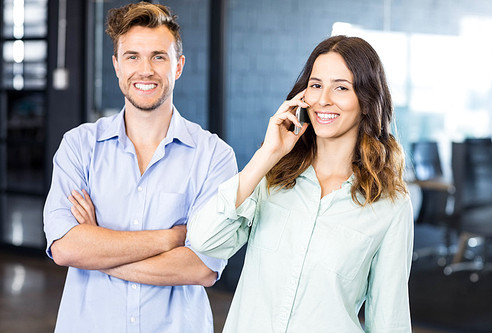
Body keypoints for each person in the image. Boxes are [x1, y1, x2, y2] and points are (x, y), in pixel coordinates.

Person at [188, 35, 414, 332]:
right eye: (316, 85)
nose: (323, 100)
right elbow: (206, 240)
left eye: (341, 88)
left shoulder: (390, 205)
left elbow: (389, 318)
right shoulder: (273, 176)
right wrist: (267, 154)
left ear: (367, 100)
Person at [43, 2, 237, 332]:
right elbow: (66, 247)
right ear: (117, 66)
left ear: (178, 66)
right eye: (132, 56)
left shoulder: (214, 156)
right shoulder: (79, 146)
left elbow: (201, 267)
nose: (144, 69)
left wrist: (99, 250)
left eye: (158, 56)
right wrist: (169, 240)